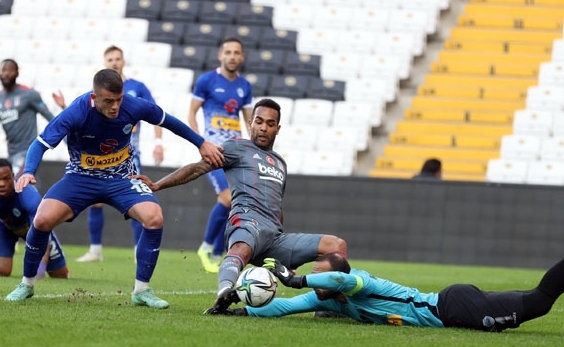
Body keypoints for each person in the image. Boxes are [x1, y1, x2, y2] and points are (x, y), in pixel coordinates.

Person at [4, 68, 224, 308]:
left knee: (154, 218)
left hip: (122, 177)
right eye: (108, 101)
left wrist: (201, 143)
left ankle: (142, 290)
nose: (115, 106)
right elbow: (40, 144)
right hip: (81, 178)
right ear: (94, 97)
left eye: (118, 99)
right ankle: (27, 284)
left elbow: (169, 121)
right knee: (42, 220)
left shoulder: (133, 105)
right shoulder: (77, 112)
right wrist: (28, 171)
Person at [133, 98, 347, 314]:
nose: (263, 127)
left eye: (270, 124)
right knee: (241, 249)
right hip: (246, 223)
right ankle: (224, 293)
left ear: (278, 129)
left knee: (336, 245)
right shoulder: (236, 148)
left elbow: (277, 206)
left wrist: (287, 255)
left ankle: (329, 305)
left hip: (274, 238)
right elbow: (197, 169)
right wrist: (158, 185)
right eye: (259, 121)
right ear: (250, 123)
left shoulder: (281, 163)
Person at [221, 249, 564, 333]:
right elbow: (283, 308)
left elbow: (337, 281)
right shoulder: (328, 298)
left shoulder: (357, 281)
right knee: (527, 299)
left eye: (318, 275)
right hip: (453, 304)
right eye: (311, 274)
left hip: (450, 308)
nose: (314, 281)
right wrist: (237, 310)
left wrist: (297, 278)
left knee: (538, 302)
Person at [76, 45, 165, 263]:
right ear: (105, 64)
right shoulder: (98, 93)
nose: (114, 62)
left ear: (123, 61)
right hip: (102, 154)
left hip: (129, 154)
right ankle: (95, 250)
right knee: (95, 201)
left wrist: (159, 142)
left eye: (118, 58)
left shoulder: (137, 87)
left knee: (137, 199)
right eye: (110, 60)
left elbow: (155, 114)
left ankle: (138, 250)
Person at [188, 36, 253, 273]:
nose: (232, 56)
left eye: (237, 53)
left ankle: (218, 252)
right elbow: (192, 114)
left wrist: (254, 146)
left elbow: (249, 120)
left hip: (236, 151)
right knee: (226, 198)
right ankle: (205, 248)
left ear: (242, 57)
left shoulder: (244, 85)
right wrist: (199, 142)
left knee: (235, 202)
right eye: (228, 52)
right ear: (220, 55)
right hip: (214, 150)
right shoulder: (206, 81)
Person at [0, 158, 69, 279]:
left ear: (13, 176)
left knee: (60, 275)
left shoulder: (27, 194)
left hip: (33, 230)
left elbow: (41, 231)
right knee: (3, 271)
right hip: (7, 229)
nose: (1, 184)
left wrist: (40, 269)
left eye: (6, 178)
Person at [0, 59, 65, 179]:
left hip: (28, 150)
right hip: (11, 152)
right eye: (3, 70)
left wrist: (66, 137)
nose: (6, 73)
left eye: (10, 70)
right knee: (14, 188)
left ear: (17, 73)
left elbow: (49, 117)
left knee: (16, 182)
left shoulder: (29, 94)